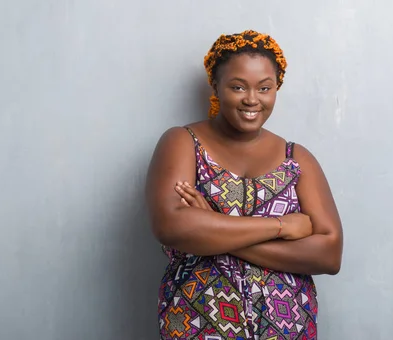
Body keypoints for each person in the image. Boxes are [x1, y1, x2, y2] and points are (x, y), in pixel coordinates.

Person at [145, 30, 343, 340]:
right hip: (198, 322)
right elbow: (172, 227)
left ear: (276, 88)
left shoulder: (297, 158)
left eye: (264, 88)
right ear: (216, 86)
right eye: (238, 87)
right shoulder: (184, 142)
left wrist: (214, 228)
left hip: (288, 327)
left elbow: (329, 256)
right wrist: (282, 225)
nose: (252, 99)